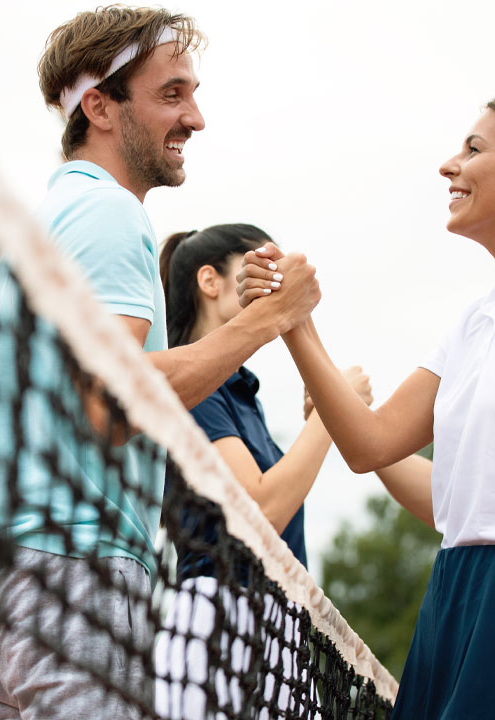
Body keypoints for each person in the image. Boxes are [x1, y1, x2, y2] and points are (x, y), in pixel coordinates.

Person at [240, 93, 495, 719]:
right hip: (451, 589)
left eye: (473, 148)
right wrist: (292, 321)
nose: (449, 165)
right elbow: (370, 444)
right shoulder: (476, 317)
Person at [0, 9, 320, 719]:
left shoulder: (51, 220)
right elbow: (115, 403)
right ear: (99, 107)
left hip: (2, 590)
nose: (195, 118)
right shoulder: (111, 214)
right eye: (171, 94)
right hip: (77, 577)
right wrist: (271, 319)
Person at [151, 224, 371, 718]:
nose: (275, 281)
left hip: (278, 625)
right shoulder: (197, 390)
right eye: (255, 267)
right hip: (220, 618)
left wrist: (323, 417)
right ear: (210, 281)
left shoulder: (241, 395)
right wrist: (332, 413)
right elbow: (262, 510)